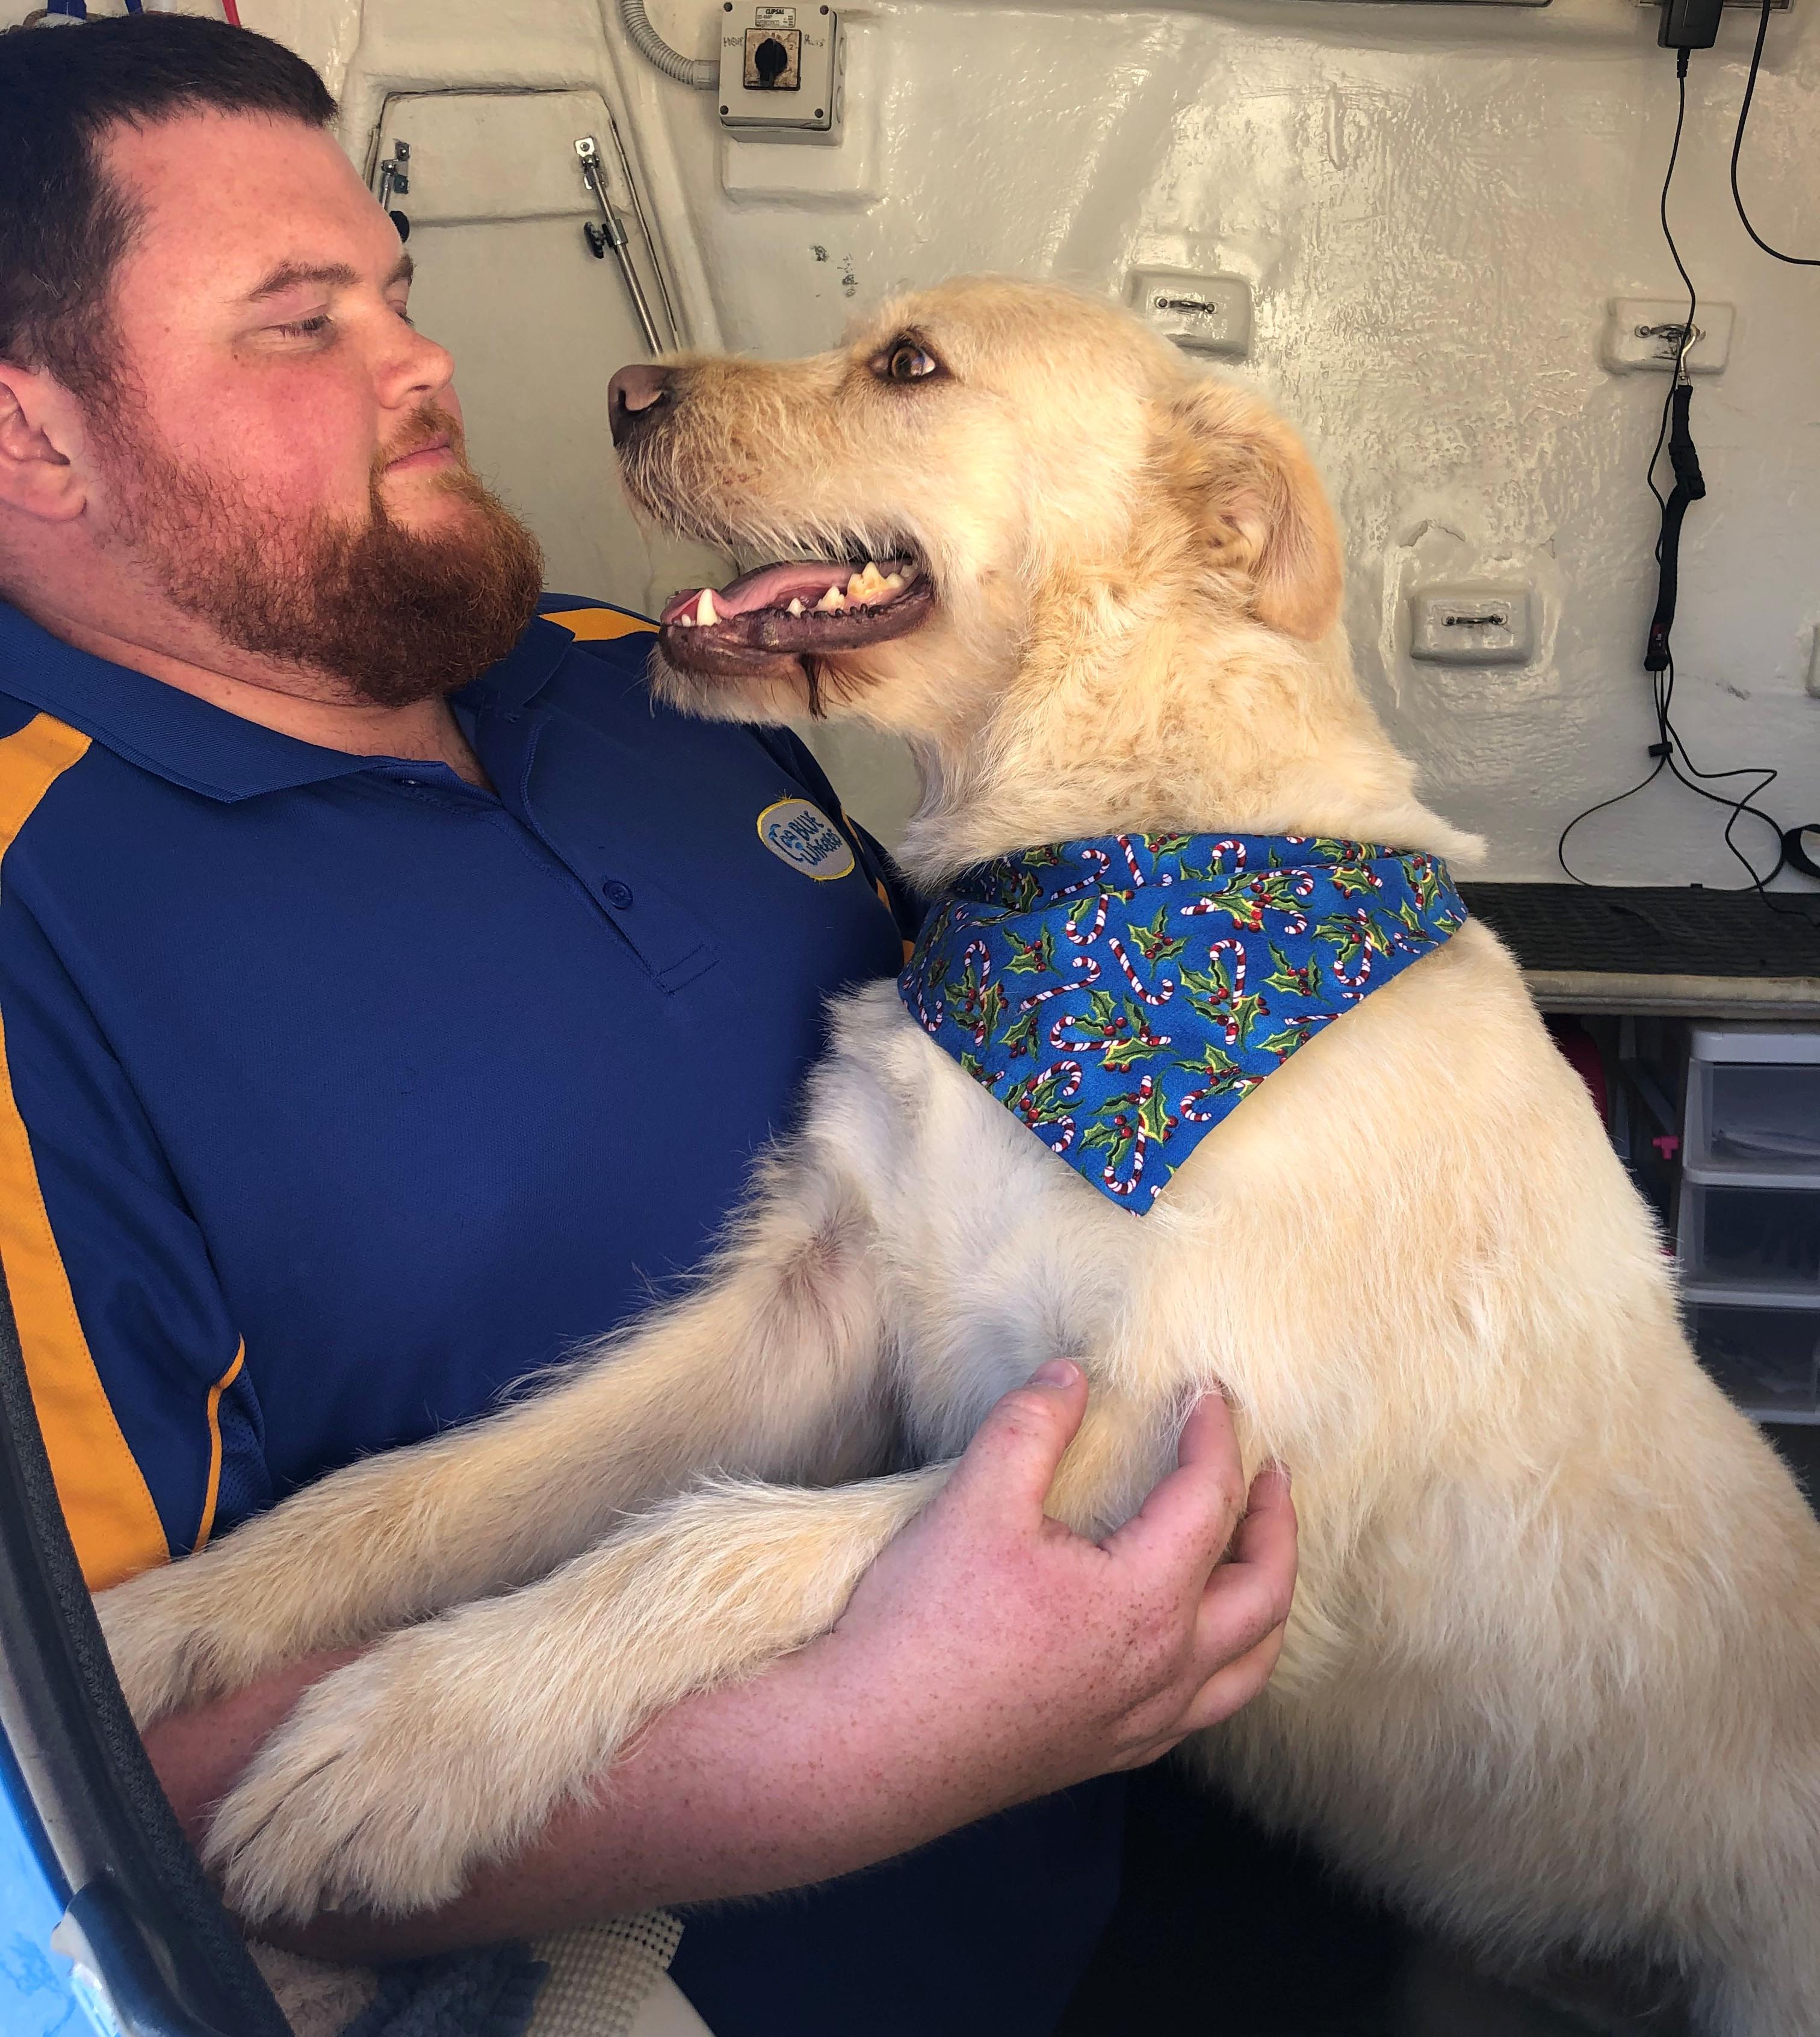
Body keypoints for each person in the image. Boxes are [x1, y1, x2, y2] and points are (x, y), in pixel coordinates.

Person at [0, 14, 1296, 2033]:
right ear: (34, 438)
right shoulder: (40, 914)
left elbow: (962, 1198)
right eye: (302, 322)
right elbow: (85, 1790)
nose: (423, 362)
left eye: (399, 291)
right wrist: (860, 1743)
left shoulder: (660, 675)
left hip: (1122, 1836)